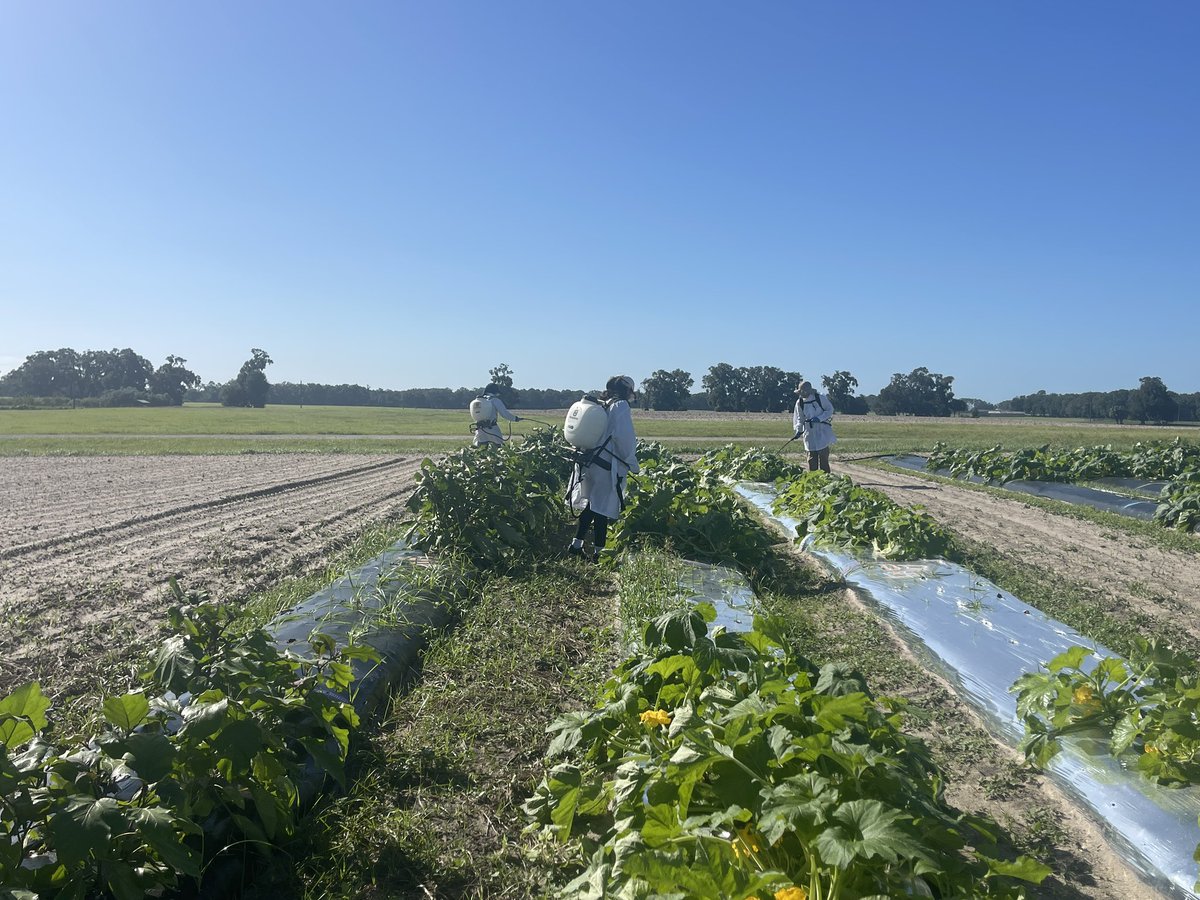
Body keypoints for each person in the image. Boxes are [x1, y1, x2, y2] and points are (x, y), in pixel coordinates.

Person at [567, 375, 640, 561]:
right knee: (602, 509)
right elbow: (624, 437)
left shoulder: (601, 404)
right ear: (627, 390)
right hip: (605, 467)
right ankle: (600, 554)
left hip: (589, 463)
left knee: (592, 505)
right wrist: (632, 462)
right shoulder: (620, 406)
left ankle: (576, 546)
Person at [792, 380, 836, 472]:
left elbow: (829, 410)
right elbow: (800, 418)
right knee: (811, 459)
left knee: (823, 458)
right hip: (809, 432)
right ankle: (813, 480)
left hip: (822, 430)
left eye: (803, 392)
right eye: (800, 392)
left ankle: (826, 478)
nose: (802, 394)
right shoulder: (799, 402)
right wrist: (799, 430)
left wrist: (819, 418)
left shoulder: (819, 398)